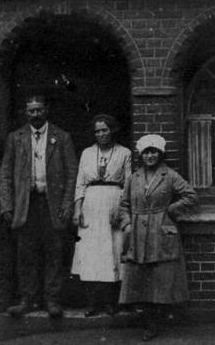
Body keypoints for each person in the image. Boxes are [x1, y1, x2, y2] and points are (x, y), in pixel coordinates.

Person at [0, 94, 78, 318]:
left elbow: (72, 174)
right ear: (26, 112)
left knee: (54, 252)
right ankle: (27, 300)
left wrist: (67, 204)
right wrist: (7, 205)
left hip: (51, 204)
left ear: (47, 110)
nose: (35, 114)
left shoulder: (62, 137)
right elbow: (5, 174)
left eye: (39, 110)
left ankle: (52, 300)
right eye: (31, 110)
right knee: (26, 253)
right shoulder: (16, 138)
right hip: (26, 204)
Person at [118, 134, 197, 341]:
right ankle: (146, 319)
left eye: (154, 152)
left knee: (160, 278)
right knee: (140, 277)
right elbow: (124, 204)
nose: (150, 156)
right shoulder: (133, 178)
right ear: (141, 155)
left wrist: (171, 210)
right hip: (137, 232)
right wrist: (127, 223)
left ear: (160, 154)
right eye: (146, 152)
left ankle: (155, 322)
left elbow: (190, 196)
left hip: (161, 230)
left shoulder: (169, 175)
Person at [71, 114, 132, 317]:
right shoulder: (87, 153)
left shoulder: (124, 153)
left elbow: (129, 184)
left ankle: (111, 303)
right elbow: (80, 182)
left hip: (113, 203)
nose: (101, 134)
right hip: (90, 204)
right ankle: (93, 303)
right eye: (97, 131)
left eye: (104, 130)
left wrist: (121, 209)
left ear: (112, 130)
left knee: (112, 252)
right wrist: (77, 209)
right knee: (91, 254)